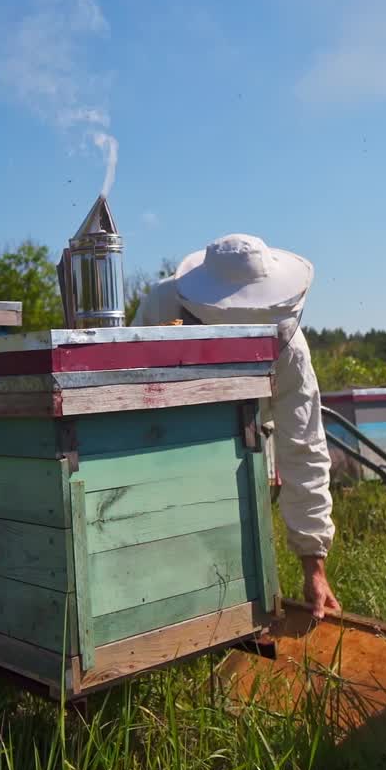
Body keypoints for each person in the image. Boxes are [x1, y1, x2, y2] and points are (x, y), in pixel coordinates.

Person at [133, 233, 340, 620]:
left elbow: (305, 447)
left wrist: (314, 567)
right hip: (164, 453)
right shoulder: (162, 306)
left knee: (241, 577)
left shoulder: (289, 349)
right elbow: (125, 388)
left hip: (247, 452)